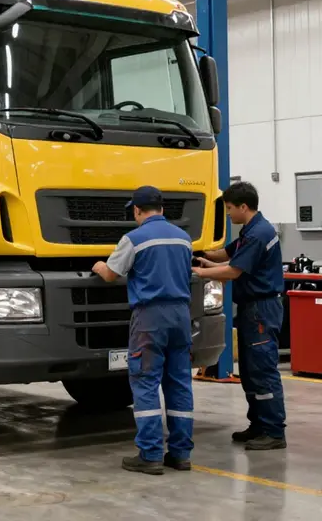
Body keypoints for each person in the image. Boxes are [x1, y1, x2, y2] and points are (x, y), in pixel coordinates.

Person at [93, 186, 194, 476]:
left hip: (150, 317)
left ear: (137, 210)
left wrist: (100, 265)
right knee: (179, 383)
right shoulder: (184, 238)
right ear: (162, 209)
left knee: (145, 381)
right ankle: (180, 454)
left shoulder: (133, 238)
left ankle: (150, 455)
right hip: (181, 315)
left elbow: (112, 274)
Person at [193, 181, 287, 451]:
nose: (229, 214)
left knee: (262, 369)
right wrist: (200, 254)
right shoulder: (251, 230)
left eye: (231, 209)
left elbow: (233, 272)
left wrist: (201, 273)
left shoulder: (259, 234)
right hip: (250, 309)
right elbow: (227, 256)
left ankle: (273, 431)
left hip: (261, 309)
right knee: (248, 369)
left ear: (244, 207)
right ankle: (258, 424)